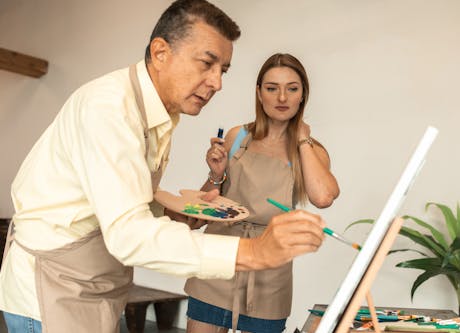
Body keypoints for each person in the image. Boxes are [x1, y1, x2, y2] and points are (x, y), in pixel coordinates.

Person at [0, 2, 327, 333]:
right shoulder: (109, 109)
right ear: (160, 53)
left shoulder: (161, 112)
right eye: (206, 64)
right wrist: (254, 252)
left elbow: (116, 196)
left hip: (95, 290)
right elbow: (128, 234)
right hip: (50, 294)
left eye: (223, 70)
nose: (217, 83)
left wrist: (166, 212)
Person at [184, 53, 340, 333]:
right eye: (271, 88)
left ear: (303, 95)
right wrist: (216, 175)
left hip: (270, 270)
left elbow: (323, 197)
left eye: (292, 88)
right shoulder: (237, 137)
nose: (282, 97)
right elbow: (205, 208)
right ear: (259, 93)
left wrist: (302, 138)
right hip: (220, 256)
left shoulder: (311, 150)